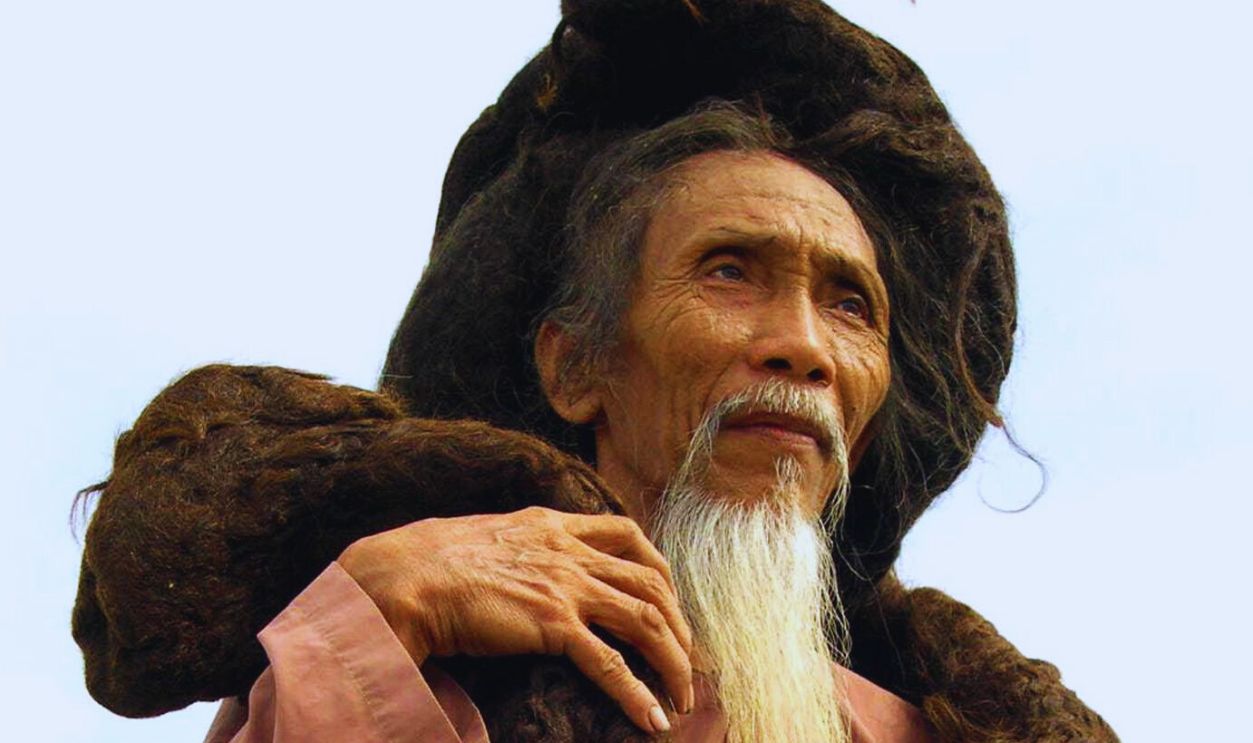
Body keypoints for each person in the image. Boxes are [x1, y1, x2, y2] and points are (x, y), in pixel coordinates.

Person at [72, 1, 1119, 741]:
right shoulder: (407, 668)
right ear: (576, 369)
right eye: (728, 272)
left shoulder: (934, 730)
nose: (799, 341)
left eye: (849, 303)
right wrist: (378, 605)